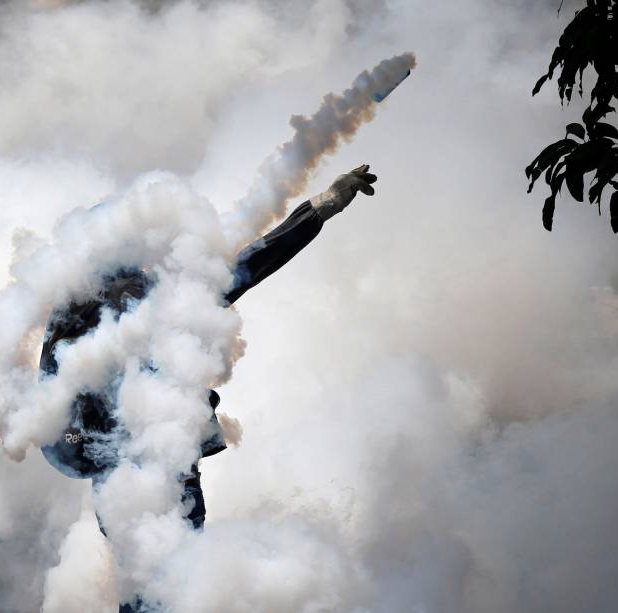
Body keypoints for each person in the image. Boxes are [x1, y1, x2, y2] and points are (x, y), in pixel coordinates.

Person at [39, 165, 377, 611]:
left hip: (168, 468)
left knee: (170, 587)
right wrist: (100, 450)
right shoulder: (78, 315)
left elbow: (249, 264)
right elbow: (51, 424)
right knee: (159, 588)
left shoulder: (156, 291)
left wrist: (319, 209)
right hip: (129, 480)